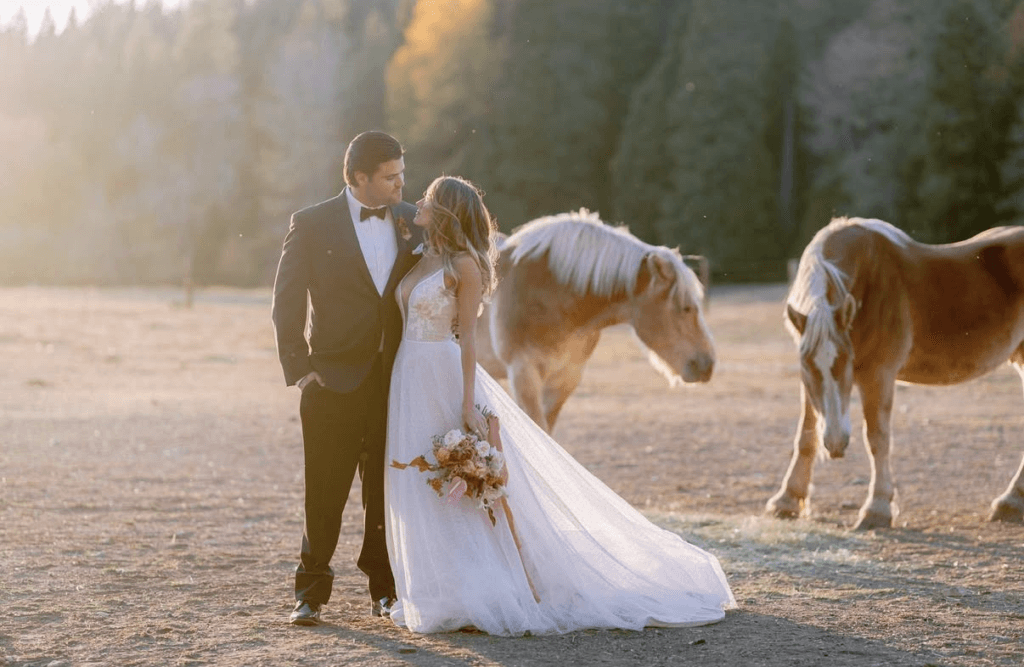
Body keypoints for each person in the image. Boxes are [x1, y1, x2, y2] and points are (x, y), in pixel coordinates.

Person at [385, 176, 736, 636]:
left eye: (428, 200)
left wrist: (468, 402)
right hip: (409, 377)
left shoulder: (465, 265)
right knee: (421, 478)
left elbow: (467, 336)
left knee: (462, 477)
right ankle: (438, 584)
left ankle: (496, 581)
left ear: (446, 210)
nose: (417, 205)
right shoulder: (419, 254)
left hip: (443, 374)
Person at [272, 131, 423, 626]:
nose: (402, 183)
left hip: (394, 380)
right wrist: (301, 370)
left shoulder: (411, 221)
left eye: (402, 172)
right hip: (330, 380)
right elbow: (286, 302)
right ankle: (310, 592)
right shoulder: (311, 224)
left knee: (385, 489)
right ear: (360, 178)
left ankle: (385, 591)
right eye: (390, 176)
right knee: (325, 488)